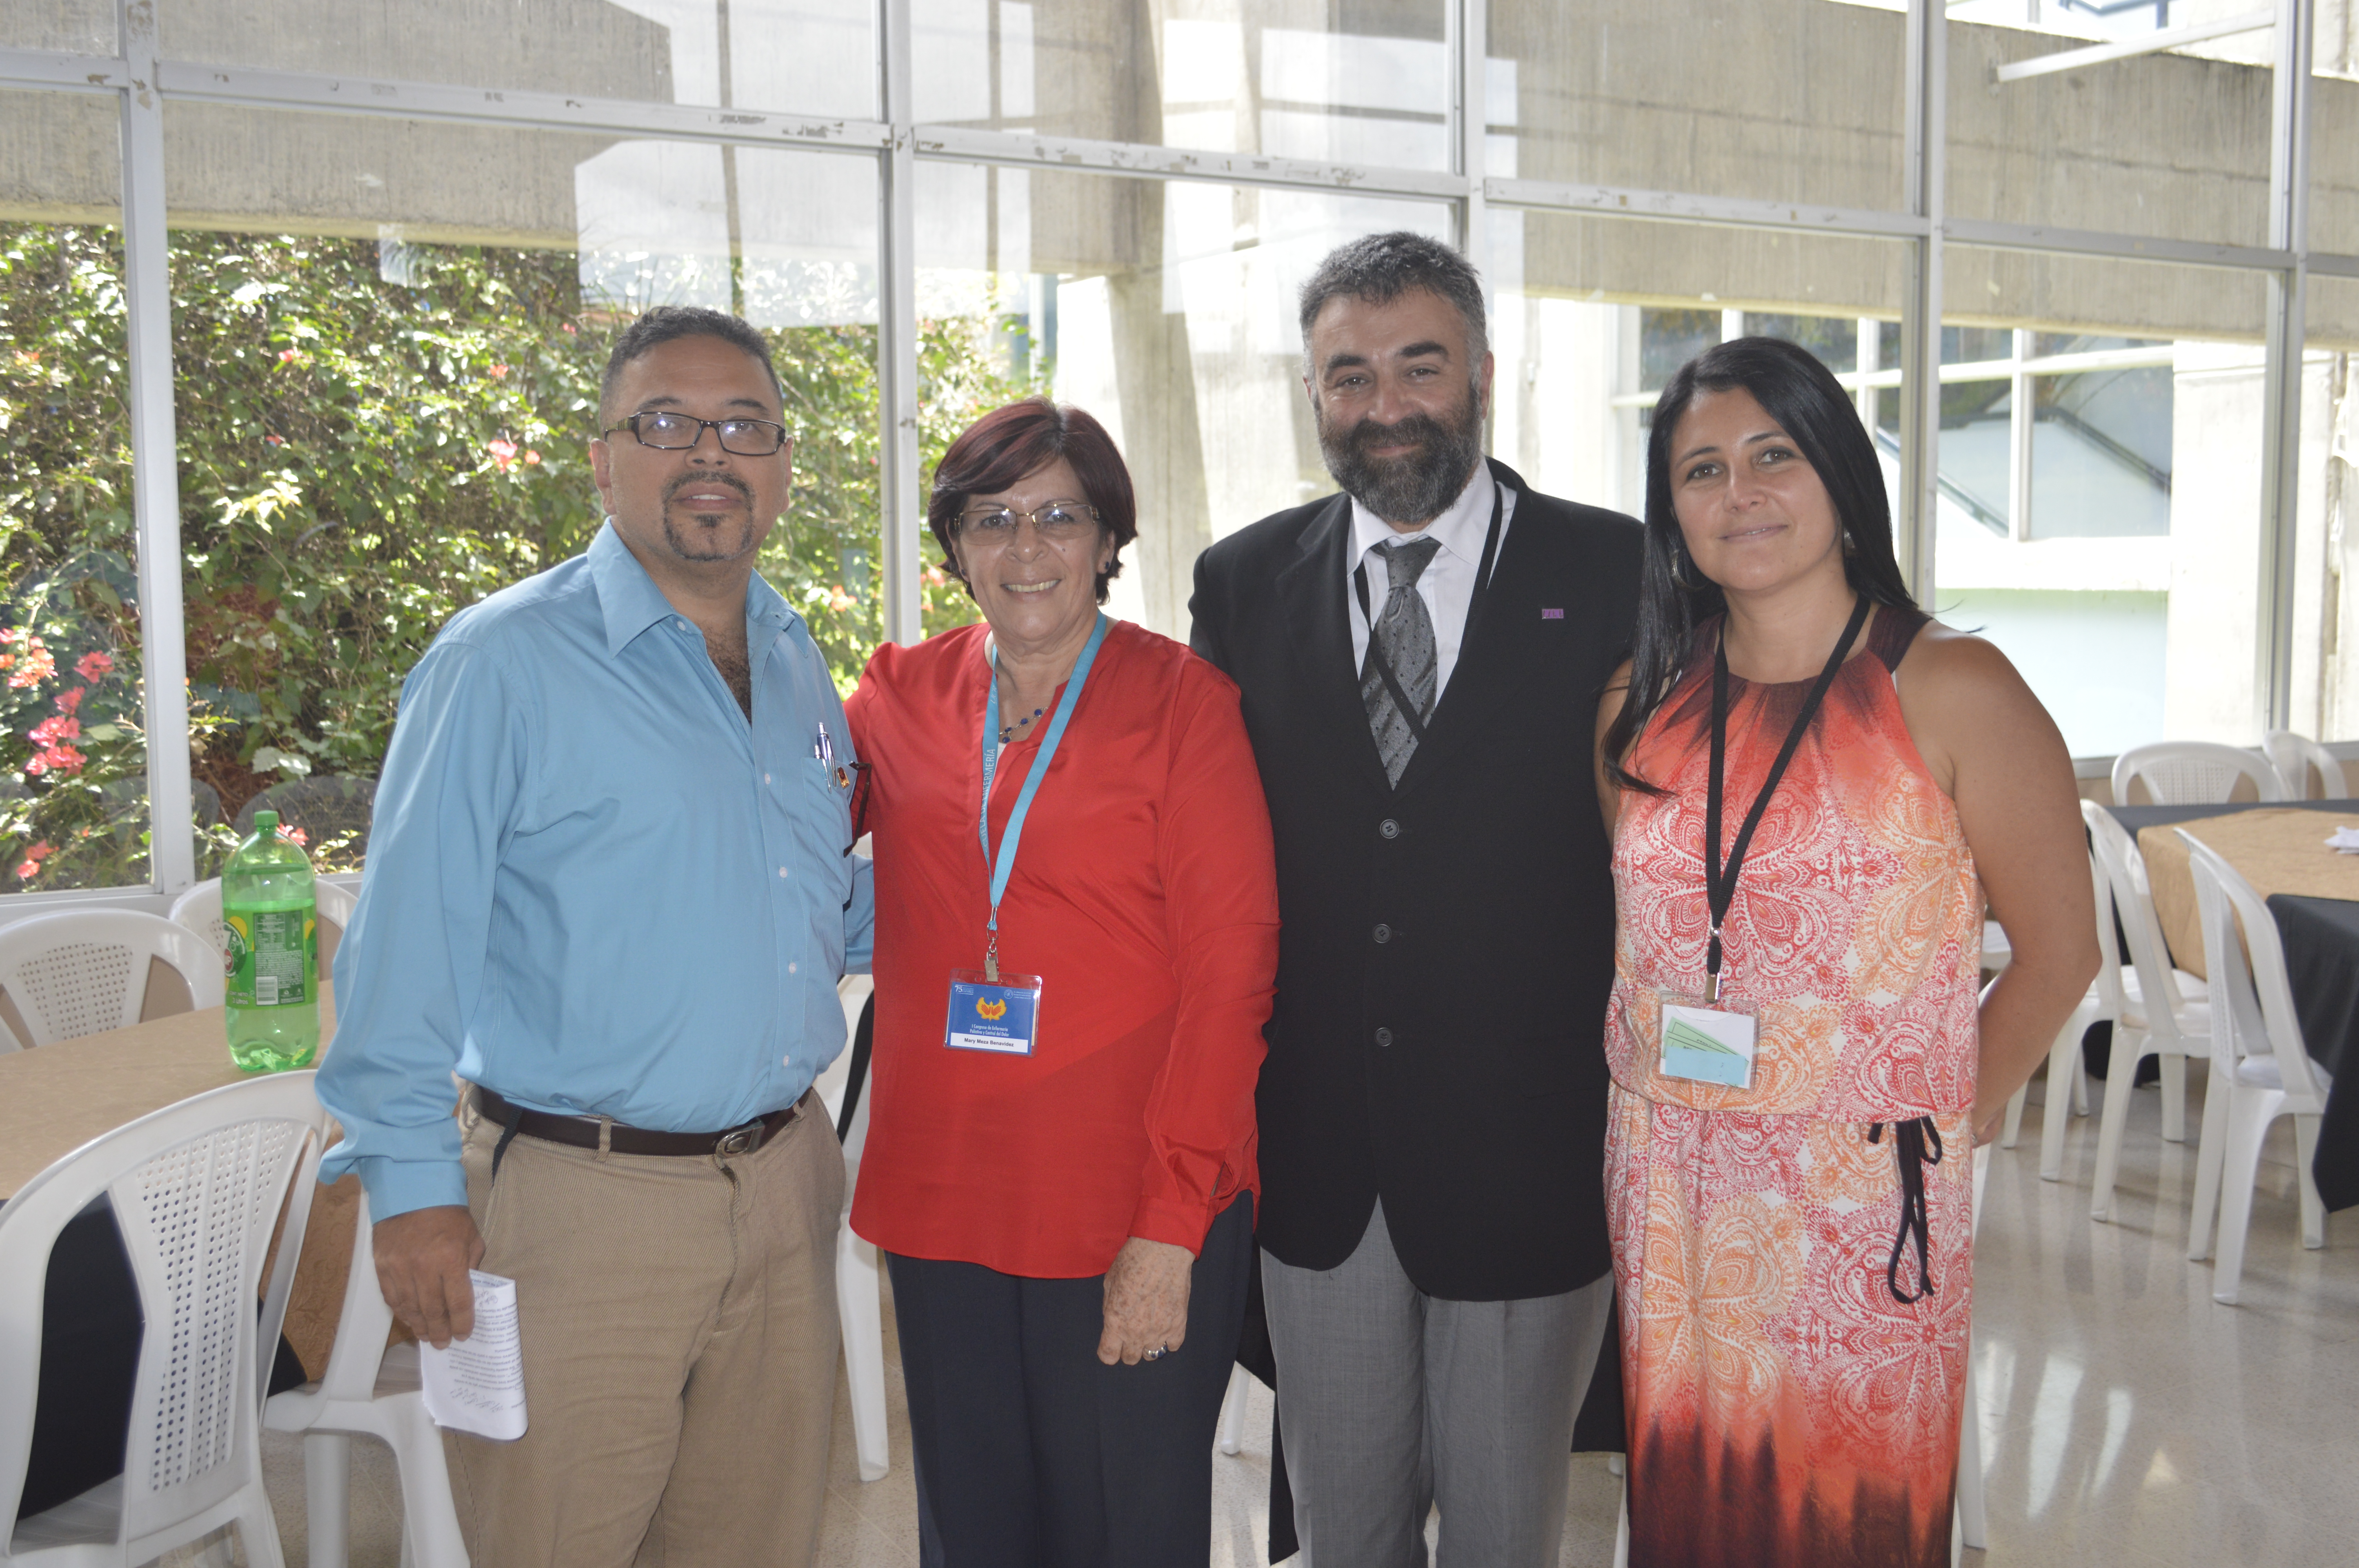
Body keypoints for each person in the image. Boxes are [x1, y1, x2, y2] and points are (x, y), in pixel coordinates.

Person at [314, 305, 871, 1568]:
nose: (709, 453)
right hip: (580, 1209)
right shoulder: (501, 659)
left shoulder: (794, 661)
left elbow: (804, 903)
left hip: (787, 1184)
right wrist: (410, 1196)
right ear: (601, 457)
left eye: (744, 425)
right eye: (665, 422)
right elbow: (405, 946)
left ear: (783, 461)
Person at [1593, 336, 2099, 1567]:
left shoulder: (1955, 689)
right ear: (1672, 510)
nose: (1740, 493)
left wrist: (1938, 1117)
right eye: (1701, 469)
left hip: (1857, 1206)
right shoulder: (1634, 708)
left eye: (1774, 454)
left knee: (1840, 1519)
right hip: (1672, 1192)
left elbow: (2062, 952)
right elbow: (1656, 944)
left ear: (1839, 471)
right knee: (1691, 1510)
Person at [1187, 230, 1643, 1565]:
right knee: (1345, 1532)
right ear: (1314, 394)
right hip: (1321, 1162)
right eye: (1348, 375)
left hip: (1531, 1158)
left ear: (1484, 374)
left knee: (1507, 1534)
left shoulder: (1620, 575)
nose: (1383, 405)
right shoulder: (1241, 580)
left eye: (1417, 366)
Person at [842, 397, 1278, 1566]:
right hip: (946, 1199)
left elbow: (1231, 978)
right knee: (972, 1530)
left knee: (1121, 1528)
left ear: (1105, 539)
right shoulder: (896, 697)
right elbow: (771, 828)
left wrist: (1172, 1227)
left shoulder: (1184, 706)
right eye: (991, 519)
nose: (1025, 550)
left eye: (1057, 516)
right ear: (954, 545)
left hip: (1127, 1203)